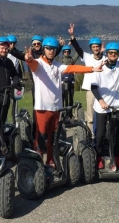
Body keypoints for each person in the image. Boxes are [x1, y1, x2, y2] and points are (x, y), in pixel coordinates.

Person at [25, 36, 103, 167]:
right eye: (48, 49)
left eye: (53, 49)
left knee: (53, 139)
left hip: (57, 108)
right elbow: (32, 64)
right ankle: (36, 164)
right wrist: (28, 59)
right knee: (41, 139)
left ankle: (50, 161)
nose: (51, 51)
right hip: (42, 108)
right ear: (44, 49)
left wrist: (91, 69)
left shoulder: (57, 66)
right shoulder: (39, 64)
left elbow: (73, 68)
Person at [68, 23, 105, 134]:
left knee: (103, 113)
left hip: (103, 89)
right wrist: (73, 36)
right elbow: (78, 49)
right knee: (90, 114)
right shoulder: (87, 57)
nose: (95, 48)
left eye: (97, 46)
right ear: (91, 48)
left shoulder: (106, 59)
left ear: (100, 47)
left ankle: (102, 133)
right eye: (93, 47)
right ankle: (90, 134)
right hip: (90, 89)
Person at [0, 35, 21, 144]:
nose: (4, 50)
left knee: (2, 121)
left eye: (6, 48)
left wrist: (15, 82)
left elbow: (15, 75)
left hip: (6, 94)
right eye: (2, 47)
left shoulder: (9, 62)